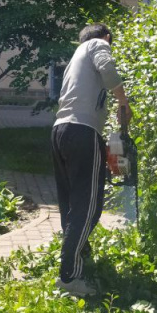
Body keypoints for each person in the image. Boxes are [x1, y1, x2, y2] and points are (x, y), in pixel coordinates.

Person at [51, 23, 131, 296]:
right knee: (89, 206)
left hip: (59, 130)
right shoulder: (98, 45)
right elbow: (107, 68)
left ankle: (77, 258)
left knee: (71, 202)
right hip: (83, 132)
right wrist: (123, 101)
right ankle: (69, 277)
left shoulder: (75, 57)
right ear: (107, 36)